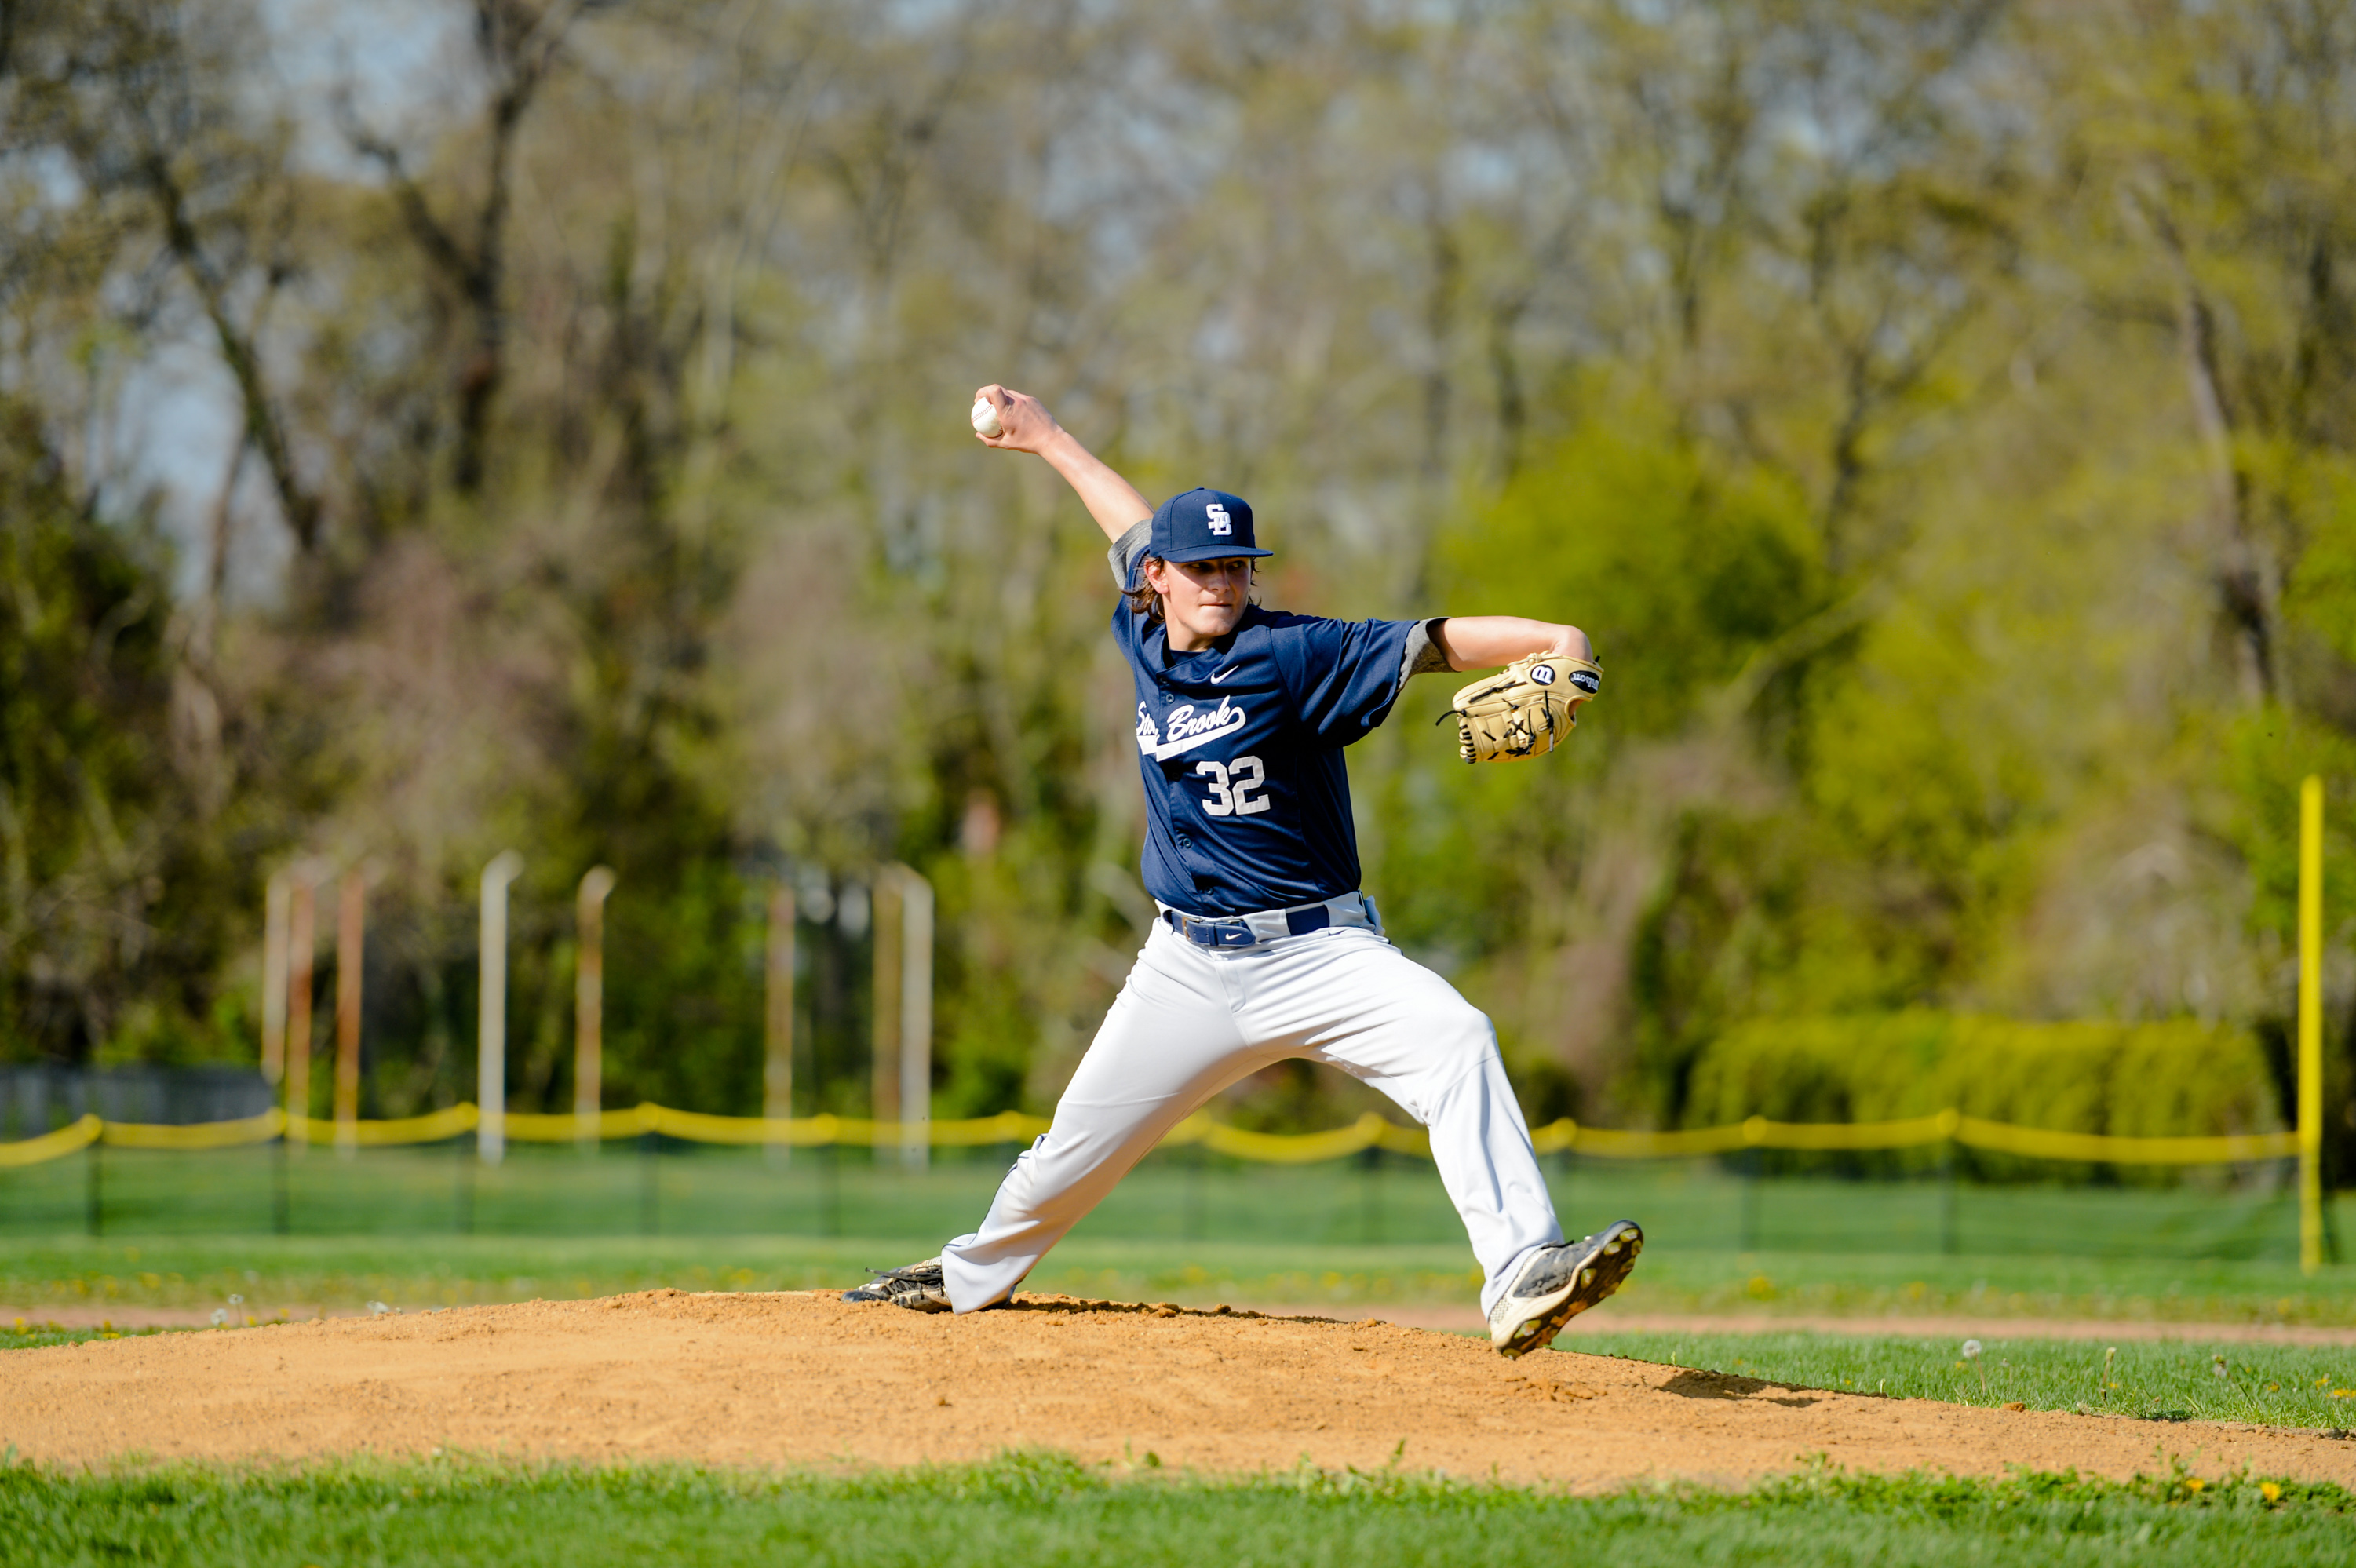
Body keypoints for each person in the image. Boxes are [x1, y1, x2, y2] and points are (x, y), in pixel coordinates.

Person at [844, 385, 1641, 1357]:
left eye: (1236, 563)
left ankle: (1522, 1272)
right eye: (1202, 564)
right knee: (1070, 1153)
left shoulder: (1292, 652)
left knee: (1457, 1040)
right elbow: (1122, 516)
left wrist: (1561, 644)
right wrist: (1043, 437)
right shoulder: (1140, 633)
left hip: (1320, 952)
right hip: (1183, 965)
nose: (1221, 578)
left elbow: (1431, 642)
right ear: (1160, 580)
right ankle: (967, 1275)